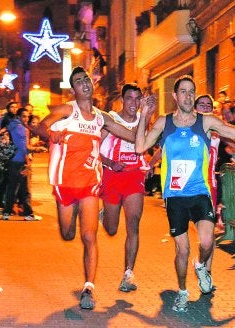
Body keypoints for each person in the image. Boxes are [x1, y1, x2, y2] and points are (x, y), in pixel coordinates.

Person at [135, 75, 235, 313]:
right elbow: (140, 147)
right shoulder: (164, 123)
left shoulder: (205, 122)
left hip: (200, 191)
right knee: (182, 250)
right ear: (175, 96)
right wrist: (144, 116)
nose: (188, 96)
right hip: (175, 197)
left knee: (206, 241)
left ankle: (201, 266)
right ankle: (182, 291)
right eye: (183, 92)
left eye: (191, 92)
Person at [35, 67, 143, 310]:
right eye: (78, 81)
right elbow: (42, 126)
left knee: (89, 236)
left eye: (86, 79)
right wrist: (51, 136)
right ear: (73, 89)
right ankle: (70, 212)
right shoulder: (67, 110)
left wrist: (145, 113)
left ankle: (88, 288)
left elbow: (131, 136)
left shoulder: (101, 117)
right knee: (67, 233)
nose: (84, 83)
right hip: (64, 183)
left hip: (90, 184)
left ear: (91, 85)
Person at [99, 83, 156, 293]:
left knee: (133, 224)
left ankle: (128, 274)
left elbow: (142, 145)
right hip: (112, 175)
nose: (134, 103)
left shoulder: (143, 120)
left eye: (137, 98)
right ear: (122, 100)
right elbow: (93, 150)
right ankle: (106, 213)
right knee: (111, 229)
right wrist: (110, 162)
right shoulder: (111, 121)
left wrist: (146, 160)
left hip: (133, 177)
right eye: (129, 98)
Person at [2, 107, 42, 221]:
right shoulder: (22, 129)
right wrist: (36, 149)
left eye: (28, 116)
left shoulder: (11, 126)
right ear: (18, 116)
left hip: (11, 160)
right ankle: (29, 214)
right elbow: (24, 148)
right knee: (25, 189)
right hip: (20, 161)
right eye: (24, 116)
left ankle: (6, 213)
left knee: (12, 188)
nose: (26, 118)